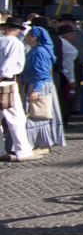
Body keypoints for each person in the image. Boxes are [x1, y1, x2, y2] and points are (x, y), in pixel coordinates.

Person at [20, 26, 64, 153]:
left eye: (28, 35)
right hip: (33, 84)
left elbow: (43, 74)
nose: (26, 37)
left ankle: (42, 144)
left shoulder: (40, 52)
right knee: (35, 114)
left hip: (39, 86)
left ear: (34, 37)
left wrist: (36, 90)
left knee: (39, 113)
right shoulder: (34, 50)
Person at [1, 17, 39, 162]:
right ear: (18, 30)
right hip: (6, 82)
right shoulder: (15, 43)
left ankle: (0, 150)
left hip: (3, 80)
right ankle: (23, 151)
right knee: (16, 118)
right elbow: (10, 67)